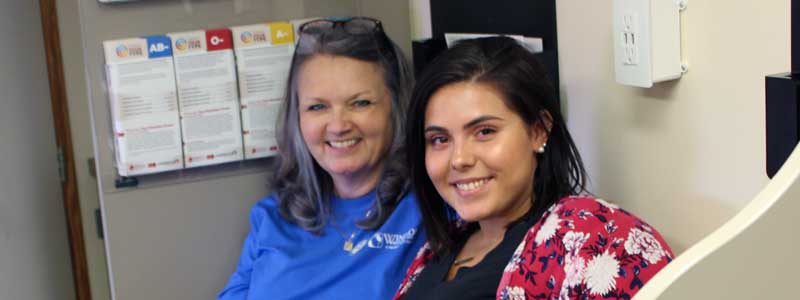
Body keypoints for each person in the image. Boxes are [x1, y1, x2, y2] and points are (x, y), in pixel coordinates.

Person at [394, 37, 673, 300]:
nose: (459, 159)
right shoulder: (442, 246)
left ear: (539, 131)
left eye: (484, 132)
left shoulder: (600, 239)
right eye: (439, 140)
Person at [218, 17, 425, 300]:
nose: (338, 125)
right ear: (298, 118)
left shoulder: (432, 210)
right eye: (317, 107)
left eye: (360, 103)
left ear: (396, 108)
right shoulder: (272, 217)